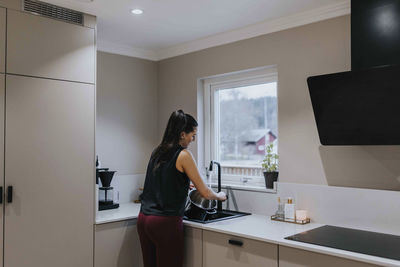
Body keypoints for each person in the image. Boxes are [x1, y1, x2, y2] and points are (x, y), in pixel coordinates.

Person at [137, 110, 227, 267]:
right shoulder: (184, 155)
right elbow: (205, 192)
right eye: (193, 135)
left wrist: (182, 184)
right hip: (164, 223)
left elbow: (162, 181)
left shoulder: (157, 151)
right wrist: (220, 195)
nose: (193, 139)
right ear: (182, 134)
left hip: (144, 219)